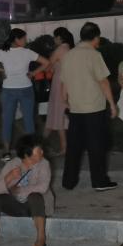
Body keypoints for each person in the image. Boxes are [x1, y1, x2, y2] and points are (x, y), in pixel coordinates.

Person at [59, 22, 118, 191]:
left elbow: (64, 82)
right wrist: (112, 104)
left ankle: (69, 181)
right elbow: (103, 81)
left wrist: (65, 100)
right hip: (94, 108)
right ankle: (99, 181)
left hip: (75, 108)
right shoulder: (94, 55)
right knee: (97, 146)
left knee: (73, 147)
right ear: (96, 38)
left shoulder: (68, 55)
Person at [0, 134, 50, 246]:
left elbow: (43, 187)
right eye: (39, 151)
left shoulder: (44, 163)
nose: (42, 152)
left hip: (35, 208)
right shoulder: (13, 164)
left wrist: (20, 190)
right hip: (15, 205)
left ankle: (41, 238)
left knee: (35, 196)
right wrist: (8, 178)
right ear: (27, 155)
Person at [0, 28, 52, 162]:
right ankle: (32, 151)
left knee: (7, 121)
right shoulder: (27, 52)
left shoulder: (2, 53)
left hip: (8, 90)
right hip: (26, 89)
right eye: (24, 38)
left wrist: (1, 70)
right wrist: (33, 73)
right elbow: (47, 63)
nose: (26, 41)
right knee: (29, 121)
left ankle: (6, 152)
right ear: (17, 39)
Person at [43, 27, 74, 156]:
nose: (54, 39)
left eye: (55, 37)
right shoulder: (70, 49)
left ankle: (63, 147)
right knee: (61, 114)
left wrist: (34, 72)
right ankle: (61, 146)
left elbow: (47, 65)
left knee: (58, 114)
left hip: (59, 83)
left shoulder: (60, 49)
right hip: (69, 83)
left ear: (59, 38)